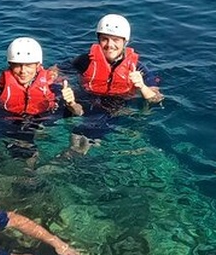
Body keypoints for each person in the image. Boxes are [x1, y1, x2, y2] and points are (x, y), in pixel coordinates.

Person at [0, 37, 83, 160]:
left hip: (39, 119)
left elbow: (79, 112)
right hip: (8, 117)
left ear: (38, 65)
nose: (23, 71)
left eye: (28, 65)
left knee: (25, 153)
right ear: (10, 65)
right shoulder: (1, 89)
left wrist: (71, 103)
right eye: (17, 65)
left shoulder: (52, 87)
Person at [66, 14, 163, 153]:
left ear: (125, 42)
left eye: (116, 40)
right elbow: (56, 71)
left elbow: (157, 98)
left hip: (117, 105)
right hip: (87, 98)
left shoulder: (138, 68)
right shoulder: (84, 61)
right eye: (104, 39)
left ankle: (77, 153)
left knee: (88, 131)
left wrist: (142, 86)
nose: (110, 45)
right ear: (98, 40)